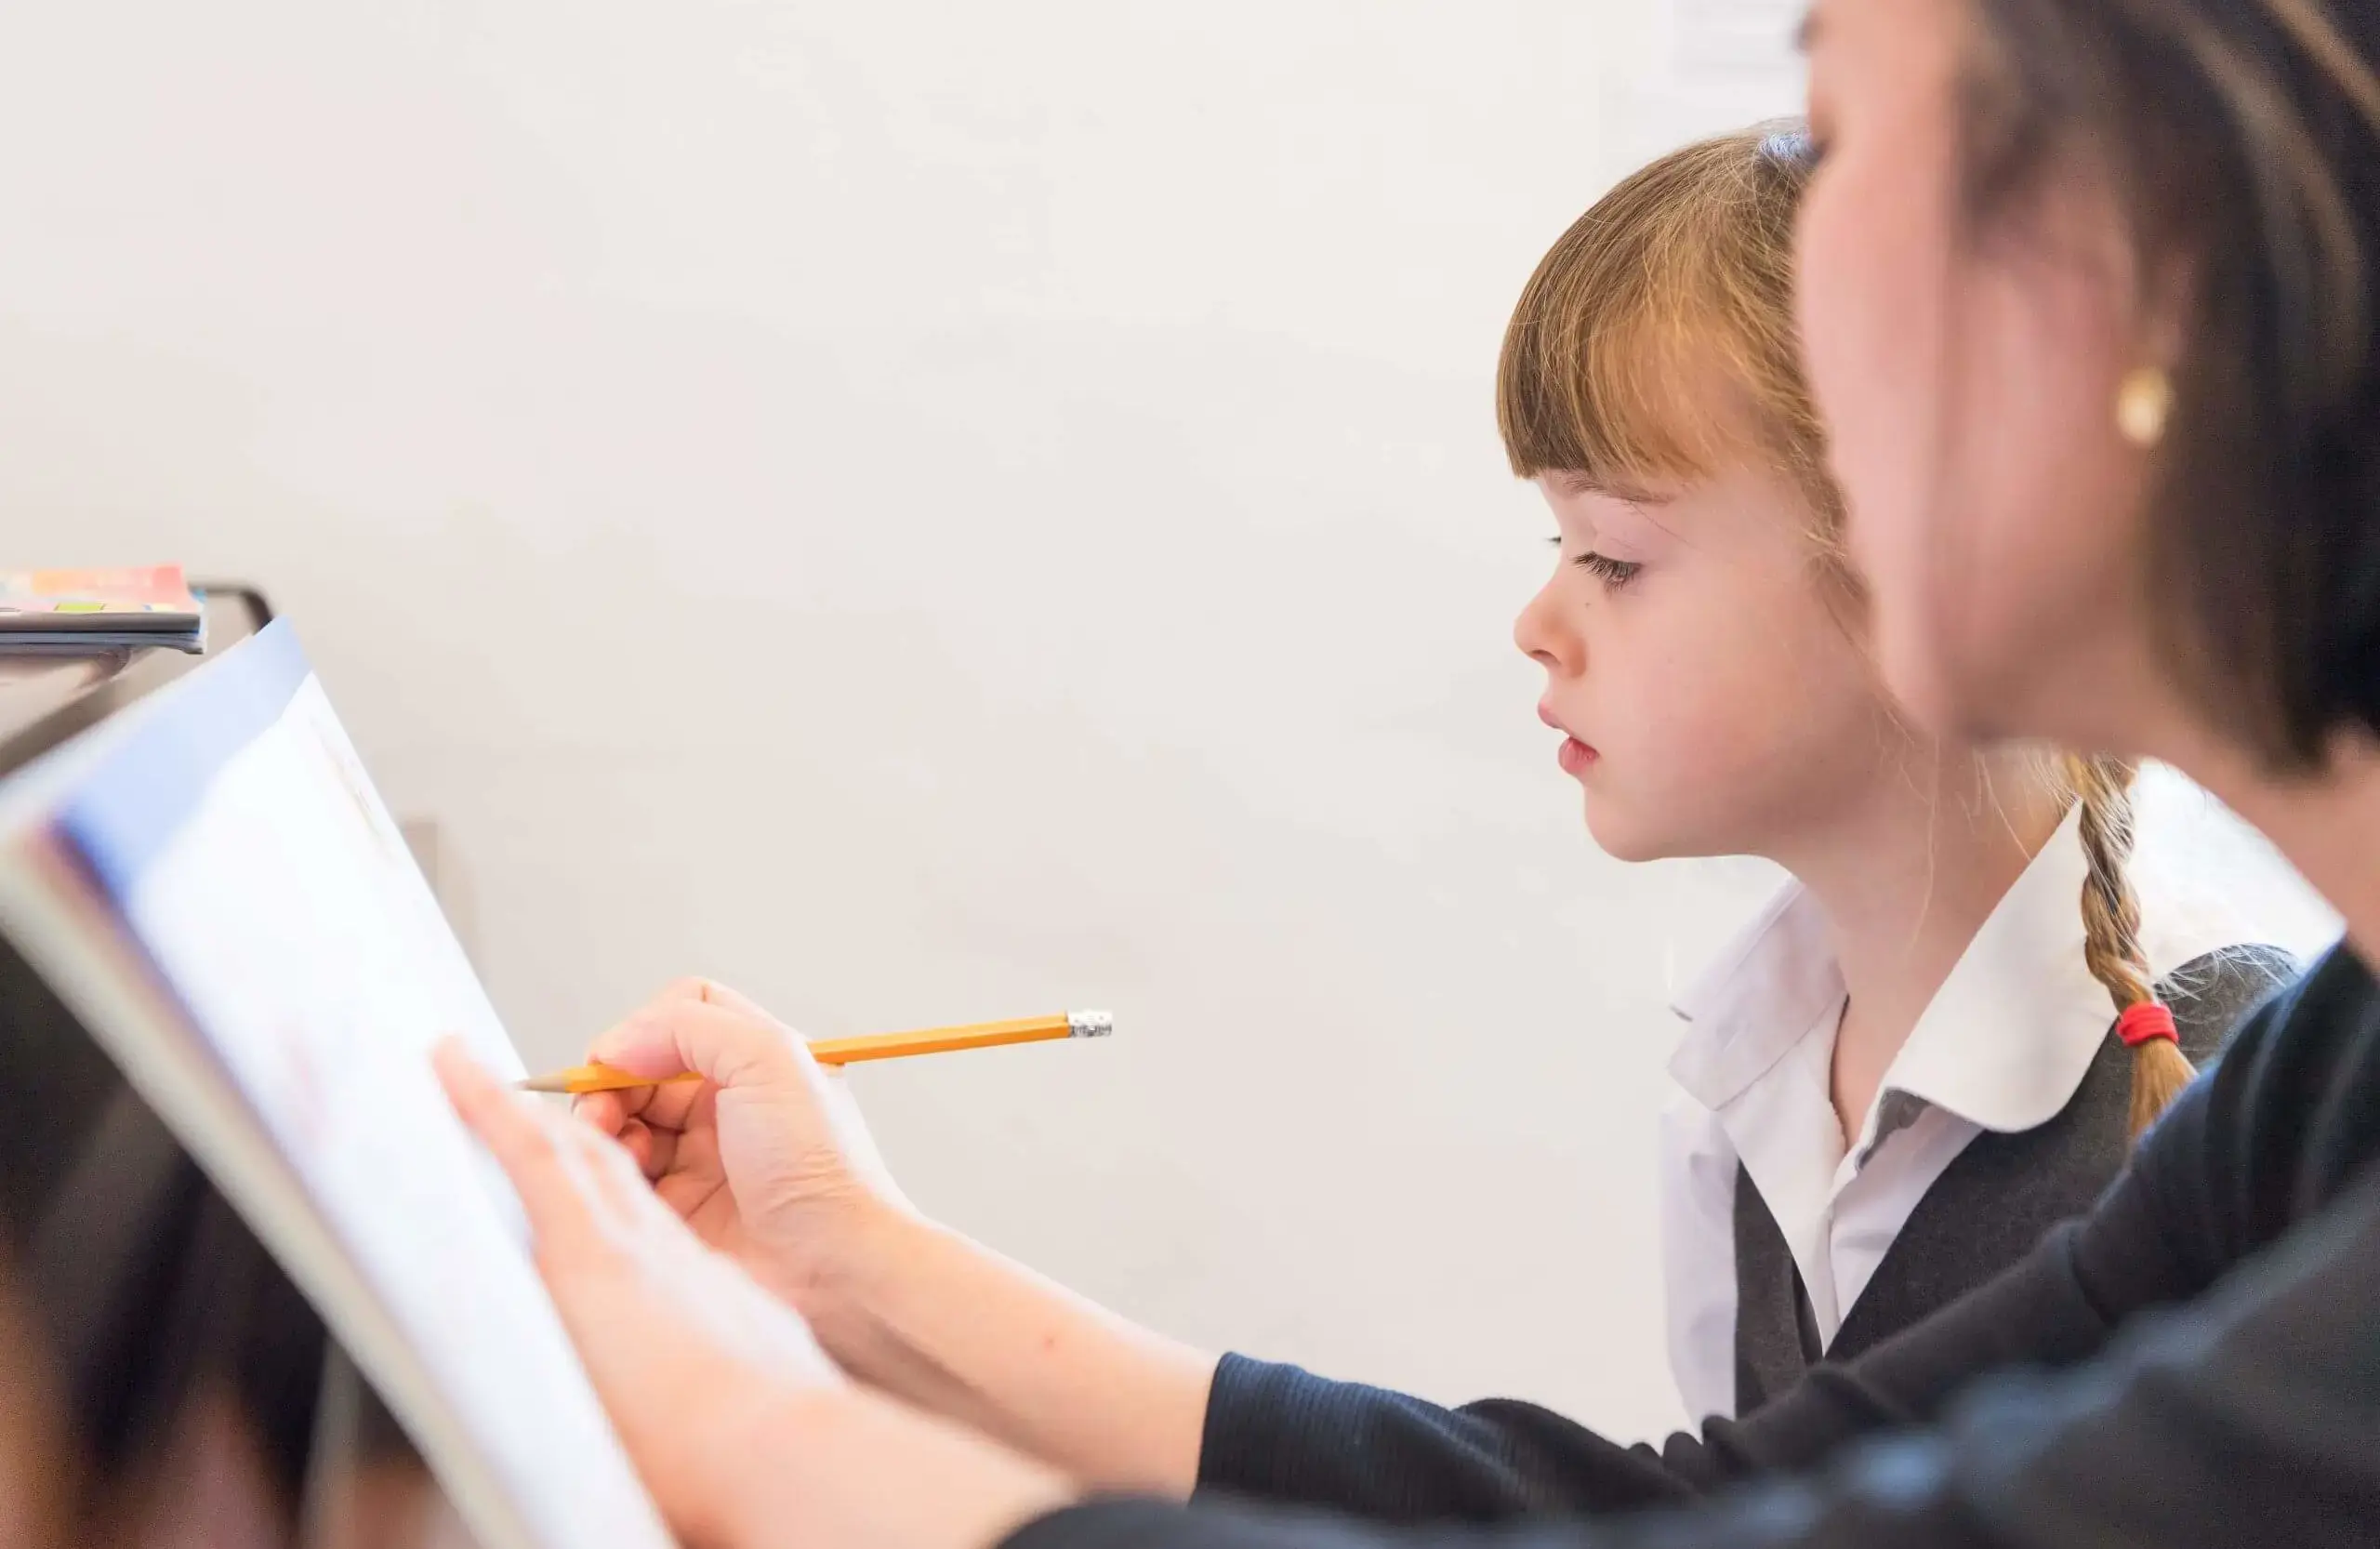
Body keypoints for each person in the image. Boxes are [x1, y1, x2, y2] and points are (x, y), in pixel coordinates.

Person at [436, 0, 2380, 1542]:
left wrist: (740, 1423)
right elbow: (1700, 1510)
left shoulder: (2226, 1076)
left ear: (2148, 269)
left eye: (1849, 135)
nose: (1814, 240)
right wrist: (847, 1272)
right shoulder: (2325, 1084)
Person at [1501, 122, 2288, 1421]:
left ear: (1924, 565)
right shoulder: (1740, 1095)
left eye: (1615, 556)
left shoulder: (2241, 1098)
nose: (1538, 621)